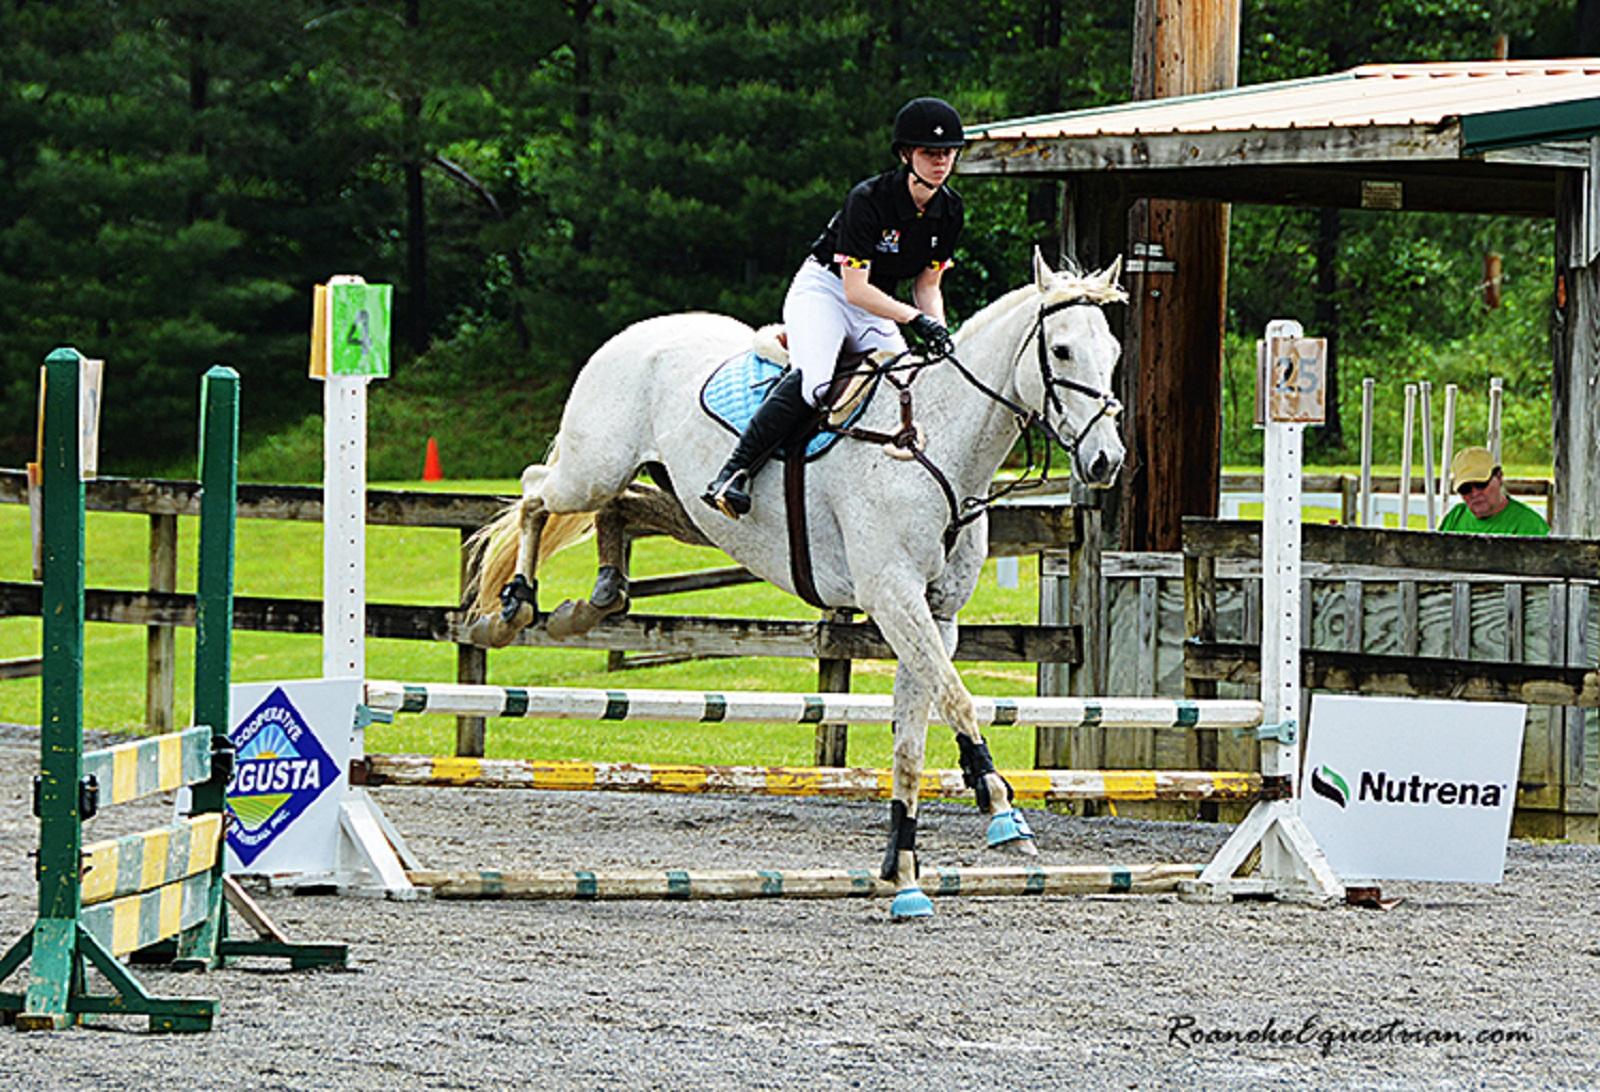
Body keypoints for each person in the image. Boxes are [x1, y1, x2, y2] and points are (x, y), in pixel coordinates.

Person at [702, 96, 967, 519]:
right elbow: (855, 289)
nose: (940, 162)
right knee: (817, 384)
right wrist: (914, 319)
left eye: (948, 153)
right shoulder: (869, 199)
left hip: (878, 304)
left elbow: (928, 285)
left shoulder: (951, 210)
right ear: (906, 154)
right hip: (826, 291)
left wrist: (939, 330)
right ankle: (735, 472)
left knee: (904, 382)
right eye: (929, 153)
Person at [1439, 446, 1549, 536]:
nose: (1475, 493)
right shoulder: (1455, 517)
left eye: (1481, 484)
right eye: (1465, 489)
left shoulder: (1530, 525)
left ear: (1499, 477)